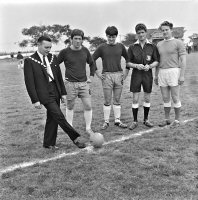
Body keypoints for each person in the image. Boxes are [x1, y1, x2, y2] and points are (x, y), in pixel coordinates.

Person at [23, 35, 86, 149]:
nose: (48, 50)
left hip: (55, 90)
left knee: (52, 118)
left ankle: (49, 143)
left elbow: (58, 76)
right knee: (59, 116)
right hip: (44, 93)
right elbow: (29, 83)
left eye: (50, 47)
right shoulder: (30, 61)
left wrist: (62, 93)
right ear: (38, 45)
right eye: (46, 47)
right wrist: (35, 100)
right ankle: (75, 138)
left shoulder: (53, 57)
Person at [58, 29, 95, 136]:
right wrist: (61, 79)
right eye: (76, 39)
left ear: (82, 40)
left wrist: (91, 76)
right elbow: (55, 65)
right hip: (70, 84)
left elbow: (92, 64)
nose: (78, 41)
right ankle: (70, 127)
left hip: (84, 84)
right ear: (71, 39)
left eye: (80, 39)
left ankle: (88, 128)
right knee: (70, 106)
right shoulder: (64, 52)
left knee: (88, 106)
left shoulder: (85, 51)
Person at [92, 26, 128, 130]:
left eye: (113, 36)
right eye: (109, 36)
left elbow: (128, 58)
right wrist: (97, 72)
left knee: (117, 99)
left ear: (116, 36)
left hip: (118, 75)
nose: (111, 39)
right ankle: (106, 122)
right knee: (107, 100)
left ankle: (117, 120)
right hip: (106, 76)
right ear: (106, 36)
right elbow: (91, 59)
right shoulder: (102, 47)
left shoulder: (121, 46)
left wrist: (126, 71)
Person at [124, 23, 160, 130]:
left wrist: (149, 66)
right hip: (136, 74)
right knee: (135, 99)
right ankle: (135, 121)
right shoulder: (132, 47)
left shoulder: (152, 46)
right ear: (136, 34)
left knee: (147, 97)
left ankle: (146, 119)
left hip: (147, 74)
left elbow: (157, 61)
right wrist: (136, 65)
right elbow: (128, 63)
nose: (141, 35)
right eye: (138, 33)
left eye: (142, 32)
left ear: (146, 33)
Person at [155, 21, 186, 127]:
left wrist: (182, 75)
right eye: (163, 30)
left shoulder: (178, 42)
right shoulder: (159, 44)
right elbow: (157, 62)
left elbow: (183, 60)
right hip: (162, 72)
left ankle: (177, 120)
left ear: (171, 30)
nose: (165, 32)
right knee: (165, 98)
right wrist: (156, 75)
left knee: (175, 97)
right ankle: (167, 119)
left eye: (166, 30)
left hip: (174, 71)